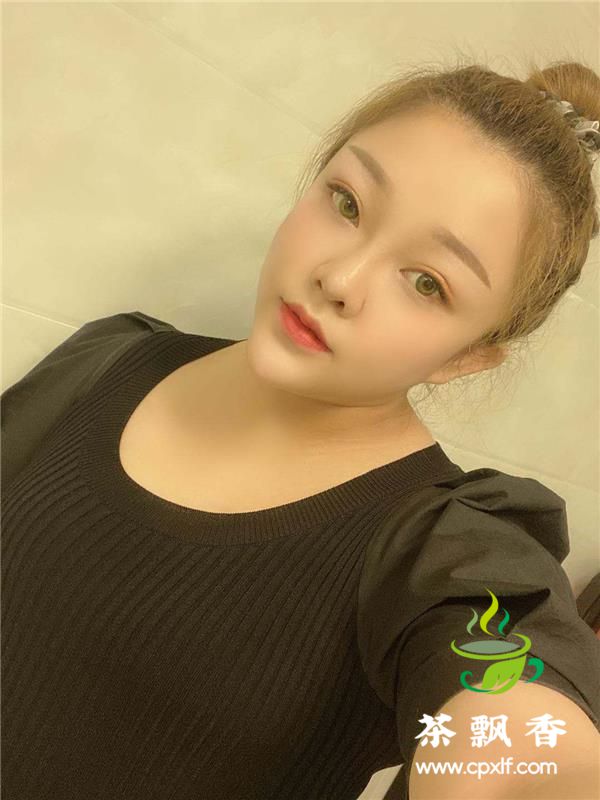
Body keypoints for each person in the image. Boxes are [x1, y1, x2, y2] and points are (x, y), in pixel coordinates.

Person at [2, 57, 599, 800]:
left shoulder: (449, 548)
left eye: (427, 283)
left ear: (468, 357)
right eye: (348, 203)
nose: (339, 280)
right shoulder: (109, 355)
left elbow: (519, 724)